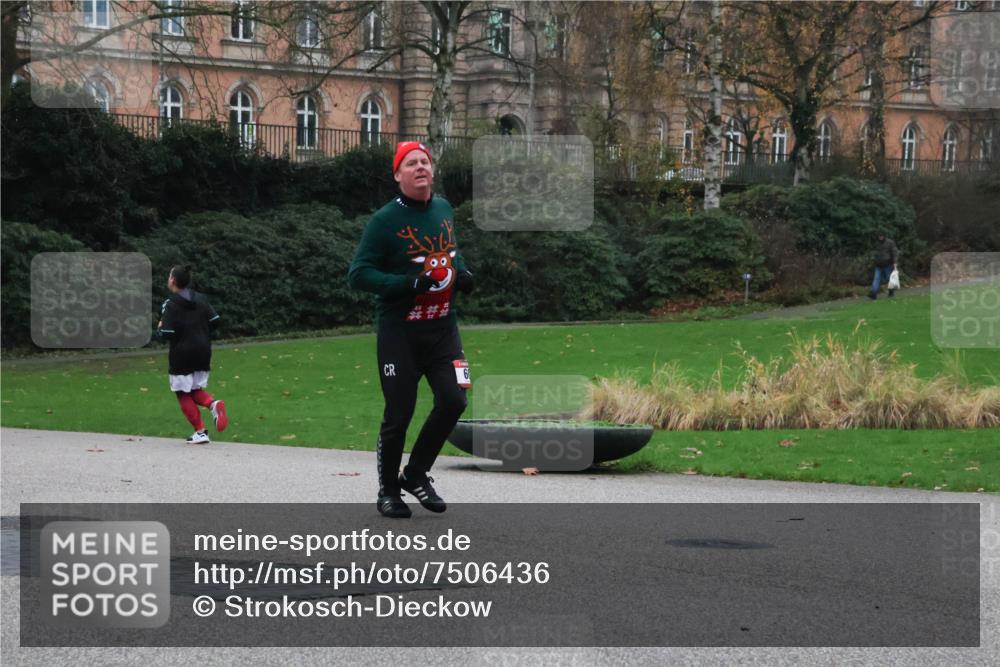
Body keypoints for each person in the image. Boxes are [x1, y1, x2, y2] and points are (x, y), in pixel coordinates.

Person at [348, 141, 475, 519]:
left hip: (443, 329)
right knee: (399, 412)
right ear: (398, 174)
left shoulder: (443, 208)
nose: (421, 167)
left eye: (425, 162)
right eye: (412, 163)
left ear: (432, 171)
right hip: (399, 334)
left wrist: (463, 271)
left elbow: (452, 250)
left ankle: (416, 474)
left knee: (455, 400)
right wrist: (407, 284)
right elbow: (359, 275)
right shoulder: (385, 221)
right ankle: (388, 491)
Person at [157, 265, 228, 444]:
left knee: (182, 392)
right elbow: (216, 321)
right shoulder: (201, 299)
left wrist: (159, 329)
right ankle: (213, 404)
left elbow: (166, 333)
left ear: (173, 280)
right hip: (203, 350)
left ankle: (200, 431)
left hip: (182, 353)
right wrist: (200, 330)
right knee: (195, 389)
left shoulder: (170, 304)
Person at [870, 232, 899, 300]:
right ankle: (873, 293)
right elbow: (875, 253)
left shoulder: (890, 243)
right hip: (878, 265)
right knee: (876, 279)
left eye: (882, 236)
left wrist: (895, 264)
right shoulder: (877, 243)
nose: (880, 237)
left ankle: (891, 291)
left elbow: (895, 253)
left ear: (884, 236)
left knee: (889, 279)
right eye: (879, 236)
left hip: (888, 265)